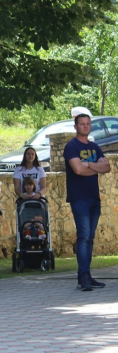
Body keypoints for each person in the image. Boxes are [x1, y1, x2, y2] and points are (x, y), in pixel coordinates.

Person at [64, 113, 110, 291]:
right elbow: (77, 170)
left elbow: (107, 167)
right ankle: (83, 277)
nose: (85, 126)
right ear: (75, 127)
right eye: (82, 124)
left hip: (94, 197)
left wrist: (89, 165)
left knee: (90, 238)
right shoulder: (71, 147)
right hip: (79, 198)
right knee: (83, 236)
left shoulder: (95, 147)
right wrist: (94, 167)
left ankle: (86, 275)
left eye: (88, 124)